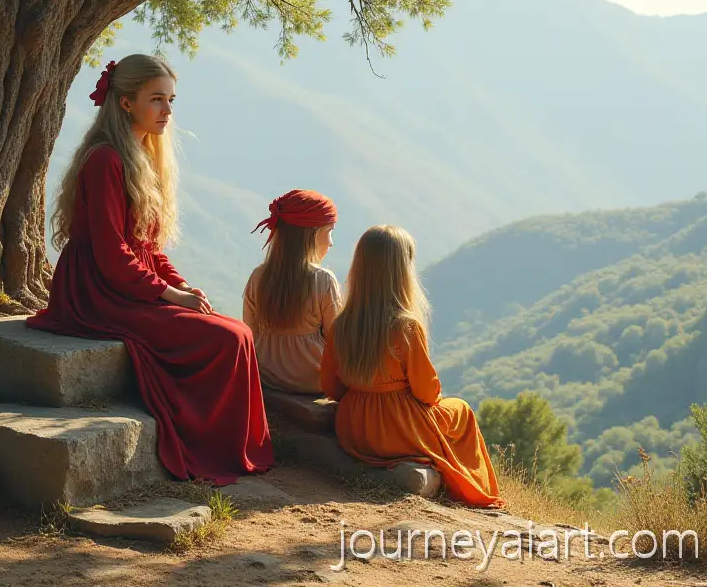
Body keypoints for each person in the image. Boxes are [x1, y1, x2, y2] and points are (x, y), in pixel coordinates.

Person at [26, 54, 273, 485]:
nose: (167, 111)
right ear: (126, 103)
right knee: (228, 338)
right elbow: (112, 254)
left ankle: (234, 445)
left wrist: (181, 285)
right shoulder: (105, 160)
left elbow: (148, 247)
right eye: (156, 99)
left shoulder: (140, 156)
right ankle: (213, 445)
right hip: (97, 290)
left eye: (171, 100)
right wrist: (170, 296)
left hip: (127, 281)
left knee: (238, 331)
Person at [320, 225, 503, 507]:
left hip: (353, 430)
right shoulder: (405, 326)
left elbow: (331, 387)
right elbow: (426, 393)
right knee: (462, 411)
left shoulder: (341, 325)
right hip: (399, 430)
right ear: (401, 271)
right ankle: (473, 491)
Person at [242, 189, 342, 394]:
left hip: (266, 377)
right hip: (313, 382)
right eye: (329, 231)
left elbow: (250, 334)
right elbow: (337, 342)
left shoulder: (258, 277)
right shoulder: (323, 280)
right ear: (312, 234)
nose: (331, 242)